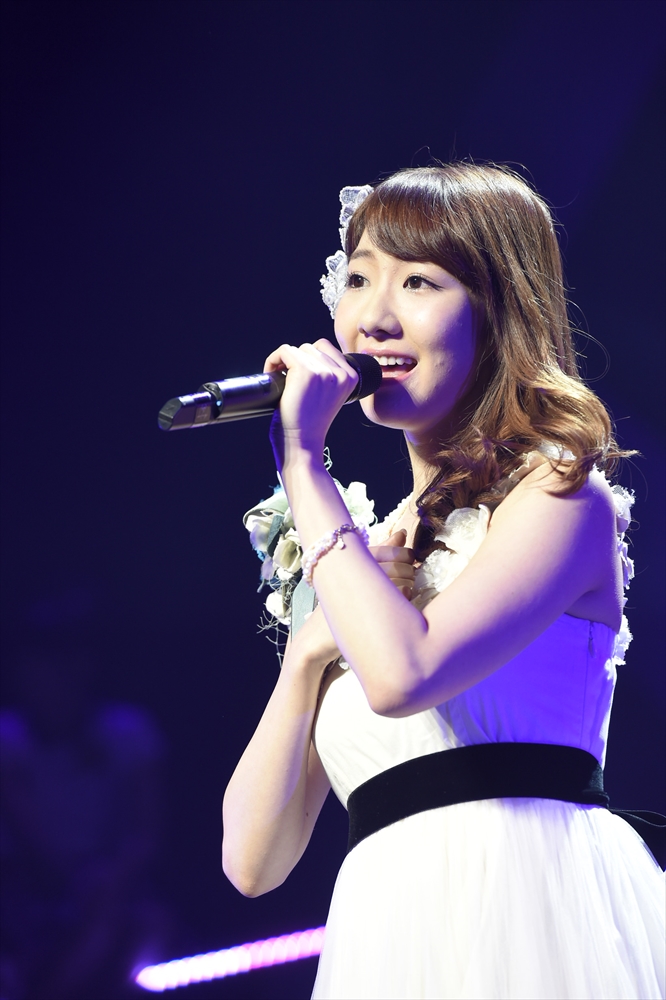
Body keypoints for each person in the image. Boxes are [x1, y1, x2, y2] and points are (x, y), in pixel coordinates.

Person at [222, 165, 665, 999]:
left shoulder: (562, 499)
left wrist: (303, 465)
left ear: (497, 311)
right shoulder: (361, 557)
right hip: (390, 942)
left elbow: (403, 677)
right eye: (359, 279)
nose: (374, 315)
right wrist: (309, 653)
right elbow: (252, 861)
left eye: (418, 282)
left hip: (531, 913)